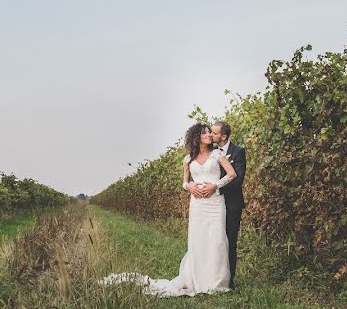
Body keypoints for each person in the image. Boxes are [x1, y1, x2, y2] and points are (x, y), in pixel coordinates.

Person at [101, 123, 236, 296]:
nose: (209, 134)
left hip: (215, 202)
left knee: (217, 239)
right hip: (197, 204)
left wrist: (214, 186)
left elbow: (232, 174)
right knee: (199, 239)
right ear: (197, 137)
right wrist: (190, 187)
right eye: (205, 132)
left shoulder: (217, 154)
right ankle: (198, 278)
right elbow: (185, 182)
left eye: (210, 132)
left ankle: (217, 282)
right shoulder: (188, 159)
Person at [193, 121, 246, 288]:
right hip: (212, 204)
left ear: (223, 136)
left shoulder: (238, 152)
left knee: (229, 241)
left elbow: (237, 179)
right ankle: (210, 275)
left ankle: (228, 281)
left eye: (214, 133)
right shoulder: (211, 152)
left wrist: (214, 189)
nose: (210, 135)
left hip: (231, 204)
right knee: (214, 240)